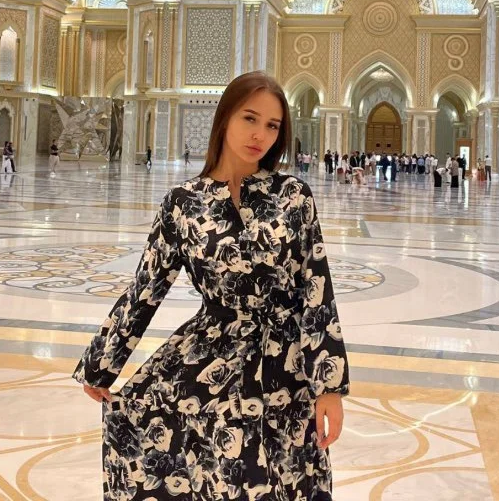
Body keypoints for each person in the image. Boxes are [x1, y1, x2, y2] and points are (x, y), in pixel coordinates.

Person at [73, 72, 349, 499]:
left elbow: (316, 290)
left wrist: (328, 386)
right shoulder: (183, 204)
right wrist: (101, 363)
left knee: (285, 478)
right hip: (212, 357)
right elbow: (146, 288)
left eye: (272, 125)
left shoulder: (294, 196)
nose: (260, 135)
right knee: (216, 475)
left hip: (285, 368)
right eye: (250, 118)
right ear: (224, 117)